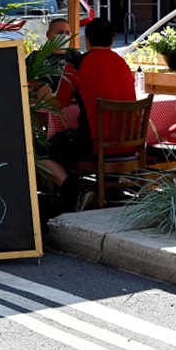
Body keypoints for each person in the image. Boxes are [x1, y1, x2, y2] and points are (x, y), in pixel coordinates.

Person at [40, 17, 136, 212]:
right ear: (112, 40)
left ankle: (75, 191)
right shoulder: (123, 64)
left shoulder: (76, 64)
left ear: (87, 40)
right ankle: (104, 190)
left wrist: (44, 94)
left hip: (93, 145)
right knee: (65, 142)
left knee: (40, 151)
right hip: (130, 144)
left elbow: (59, 104)